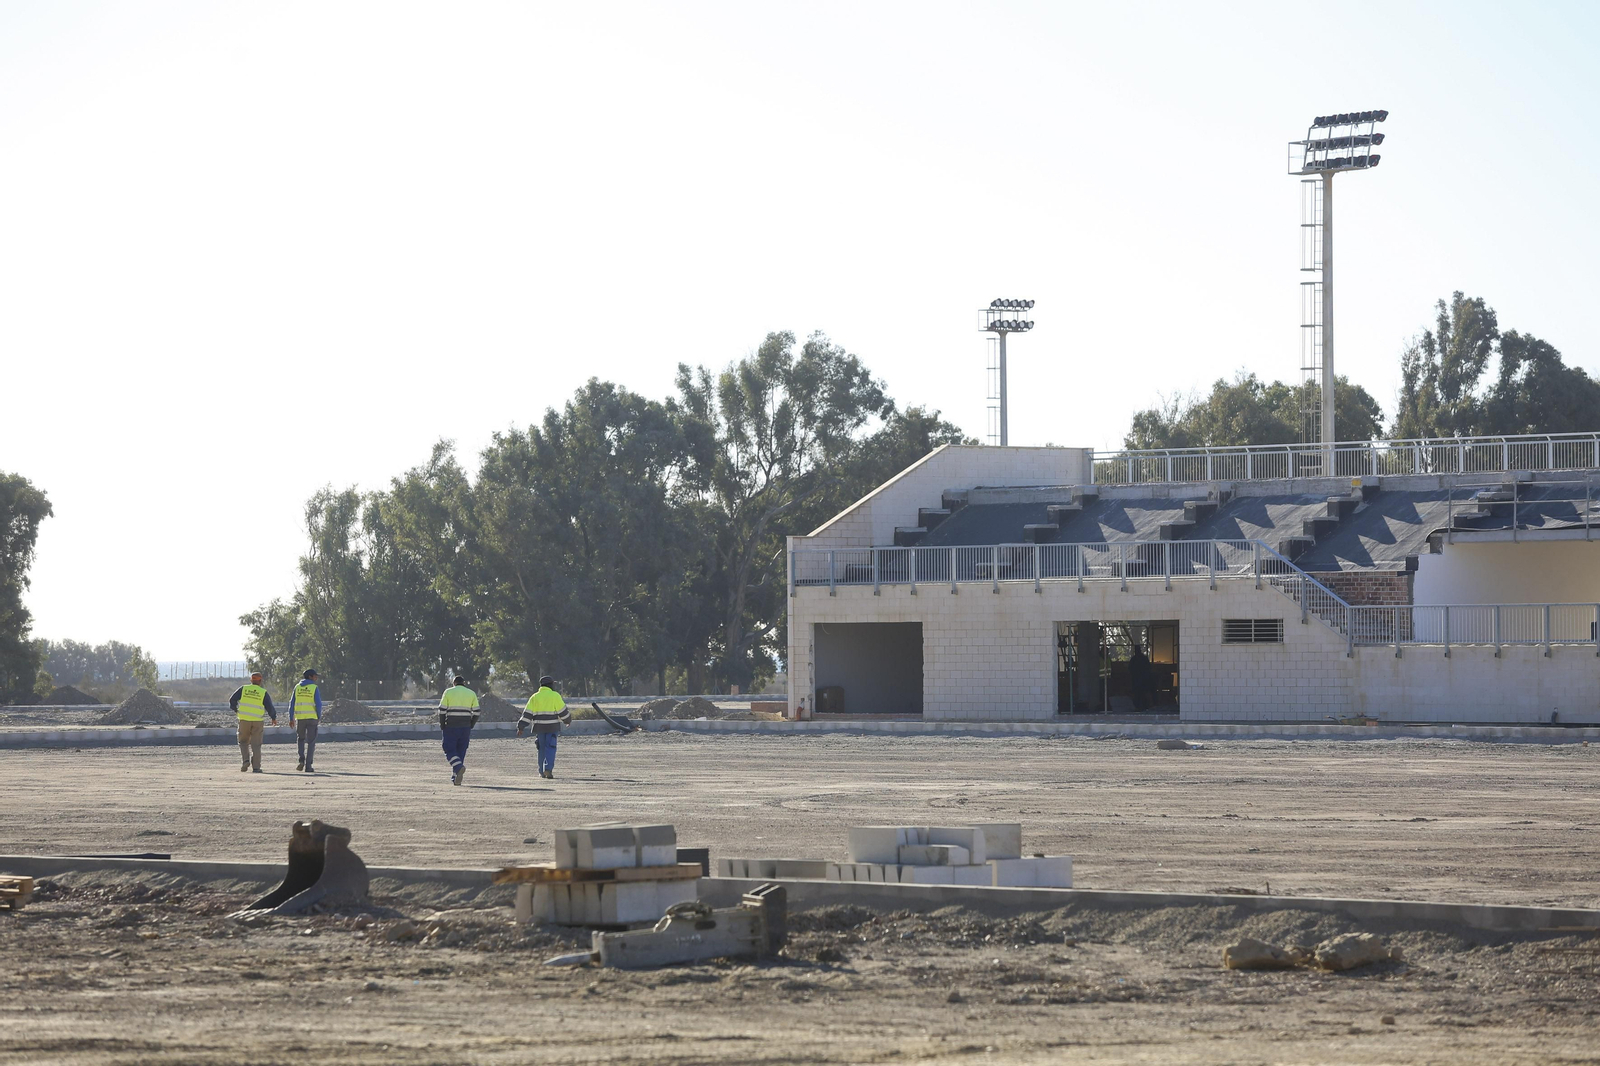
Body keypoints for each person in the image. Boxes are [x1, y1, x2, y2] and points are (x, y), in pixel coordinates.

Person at [517, 675, 571, 779]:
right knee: (550, 747)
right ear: (551, 685)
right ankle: (548, 769)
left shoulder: (534, 697)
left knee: (541, 749)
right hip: (552, 728)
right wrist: (567, 721)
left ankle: (541, 771)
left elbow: (527, 714)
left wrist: (521, 727)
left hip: (539, 728)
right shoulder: (555, 696)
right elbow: (563, 711)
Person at [228, 672, 277, 773]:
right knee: (256, 744)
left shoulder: (243, 689)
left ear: (251, 680)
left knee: (243, 742)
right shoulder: (263, 692)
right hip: (257, 721)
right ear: (260, 681)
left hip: (244, 720)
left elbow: (232, 700)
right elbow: (269, 706)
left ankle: (245, 761)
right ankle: (256, 767)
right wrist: (273, 717)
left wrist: (236, 710)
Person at [437, 675, 481, 786]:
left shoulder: (448, 692)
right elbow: (477, 712)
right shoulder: (471, 693)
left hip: (451, 726)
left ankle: (458, 767)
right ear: (464, 683)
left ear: (454, 683)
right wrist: (471, 724)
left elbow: (442, 711)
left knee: (448, 748)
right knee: (461, 751)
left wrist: (442, 725)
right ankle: (456, 777)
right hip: (465, 728)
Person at [290, 669, 323, 772]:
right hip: (312, 718)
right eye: (315, 676)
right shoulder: (314, 688)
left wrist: (291, 718)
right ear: (310, 677)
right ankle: (308, 766)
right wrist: (319, 716)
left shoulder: (297, 687)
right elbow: (318, 704)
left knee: (300, 739)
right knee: (311, 742)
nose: (316, 678)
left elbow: (292, 704)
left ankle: (301, 759)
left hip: (300, 718)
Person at [1129, 644, 1154, 713]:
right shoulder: (1144, 658)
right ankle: (1143, 706)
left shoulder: (1134, 659)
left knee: (1138, 694)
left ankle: (1139, 707)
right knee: (1142, 694)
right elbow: (1149, 668)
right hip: (1143, 679)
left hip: (1138, 680)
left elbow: (1130, 669)